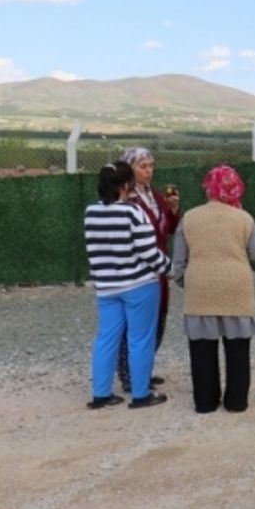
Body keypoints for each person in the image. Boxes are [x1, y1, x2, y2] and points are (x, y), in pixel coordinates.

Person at [172, 165, 255, 413]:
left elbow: (179, 260)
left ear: (208, 188)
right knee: (238, 351)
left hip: (200, 289)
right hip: (237, 289)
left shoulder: (189, 217)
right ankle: (237, 402)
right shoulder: (244, 218)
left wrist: (183, 281)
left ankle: (205, 402)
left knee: (202, 350)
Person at [84, 161, 172, 409]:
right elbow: (149, 253)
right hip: (140, 285)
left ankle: (101, 394)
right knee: (140, 339)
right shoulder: (133, 212)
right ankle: (141, 394)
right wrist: (170, 269)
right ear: (125, 185)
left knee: (106, 338)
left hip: (107, 287)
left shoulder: (91, 212)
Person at [116, 147, 180, 394]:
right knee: (135, 326)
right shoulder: (126, 199)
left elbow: (169, 229)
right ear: (129, 169)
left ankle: (142, 370)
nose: (149, 171)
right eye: (143, 166)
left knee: (156, 321)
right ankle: (130, 376)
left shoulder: (154, 196)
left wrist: (172, 210)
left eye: (151, 166)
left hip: (158, 267)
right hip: (137, 269)